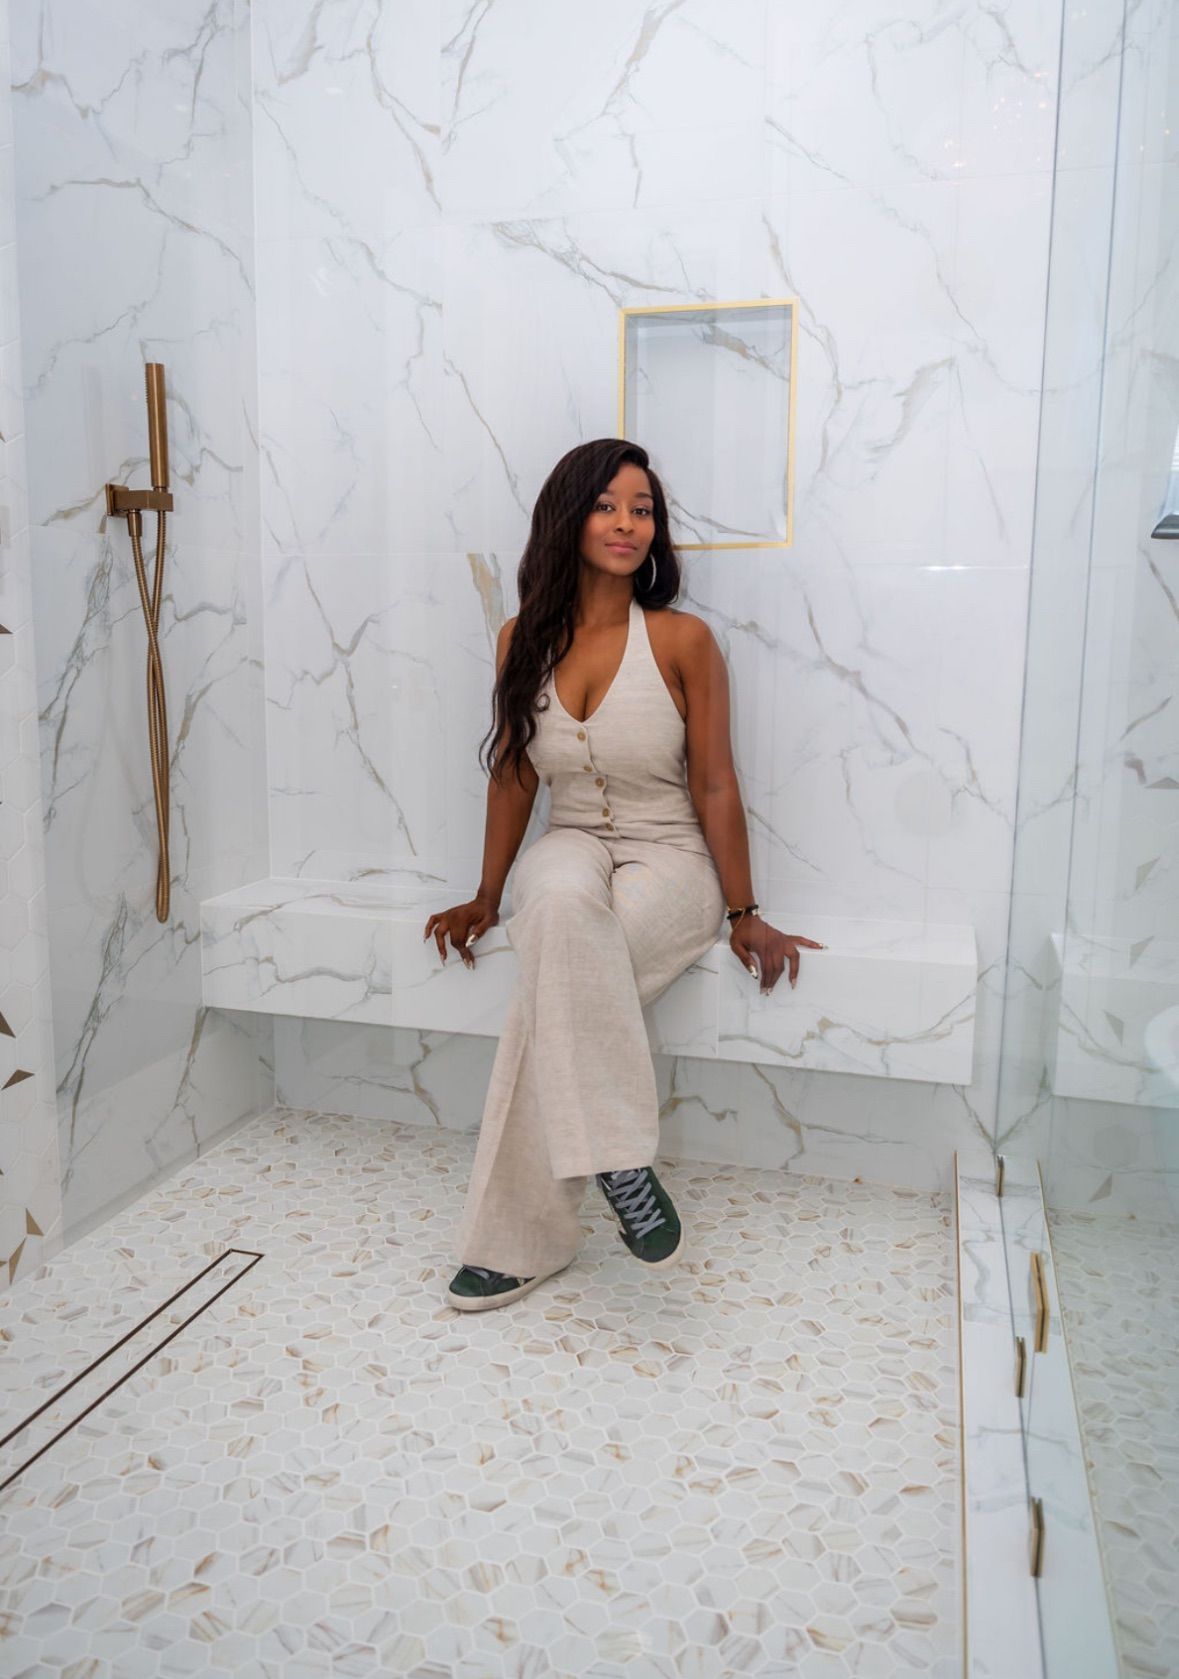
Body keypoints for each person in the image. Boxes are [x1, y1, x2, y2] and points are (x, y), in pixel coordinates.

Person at [422, 438, 823, 1311]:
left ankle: (513, 1245)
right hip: (569, 842)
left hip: (669, 856)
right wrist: (488, 895)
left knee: (554, 985)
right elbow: (514, 775)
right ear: (569, 517)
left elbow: (715, 780)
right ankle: (619, 1158)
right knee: (557, 905)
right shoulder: (518, 639)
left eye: (642, 509)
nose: (628, 523)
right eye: (608, 504)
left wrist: (745, 907)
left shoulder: (683, 639)